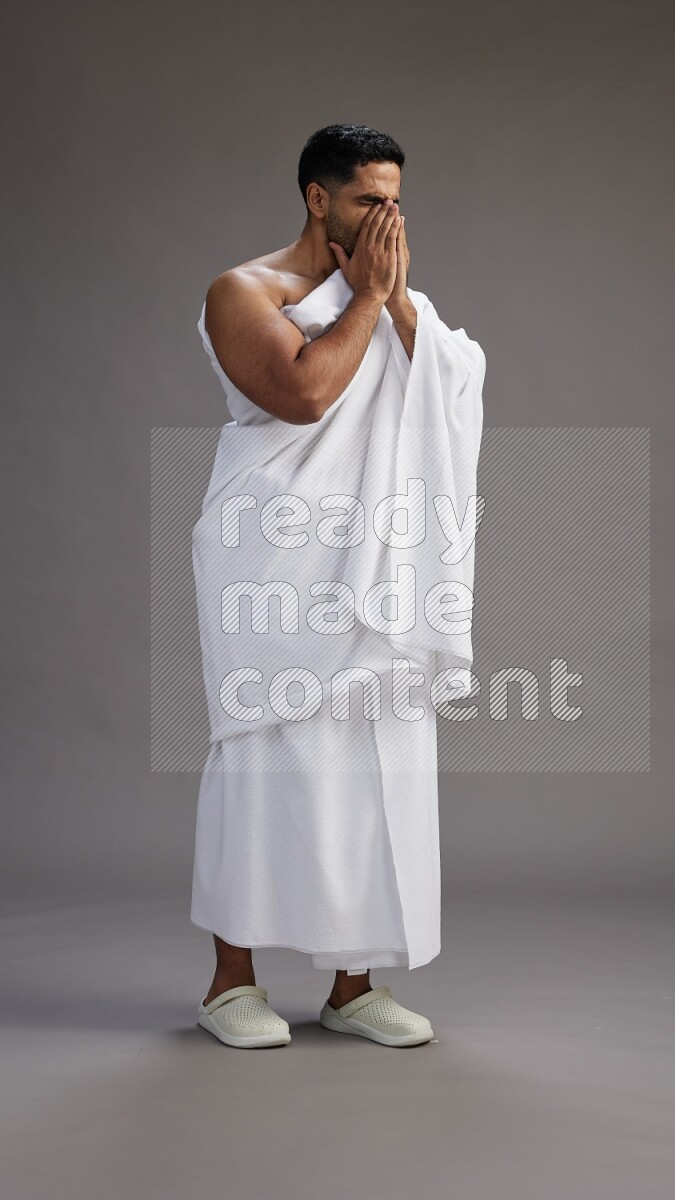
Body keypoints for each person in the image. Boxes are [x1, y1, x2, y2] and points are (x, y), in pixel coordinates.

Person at [191, 124, 485, 1049]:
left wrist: (396, 306)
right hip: (271, 560)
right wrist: (369, 298)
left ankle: (353, 987)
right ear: (319, 199)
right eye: (369, 201)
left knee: (374, 764)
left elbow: (450, 383)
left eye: (397, 201)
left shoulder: (392, 300)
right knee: (263, 756)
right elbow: (305, 392)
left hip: (374, 563)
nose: (386, 218)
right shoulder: (244, 291)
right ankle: (231, 984)